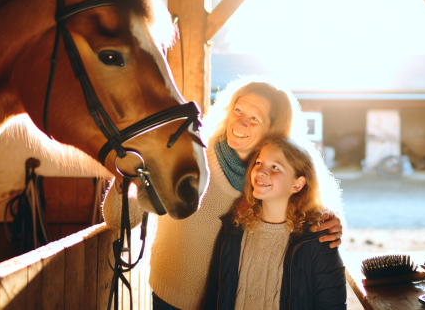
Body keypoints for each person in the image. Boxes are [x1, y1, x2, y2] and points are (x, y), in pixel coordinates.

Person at [103, 77, 344, 310]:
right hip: (170, 298)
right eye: (238, 110)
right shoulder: (187, 154)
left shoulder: (269, 182)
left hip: (227, 302)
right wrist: (127, 173)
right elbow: (117, 218)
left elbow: (305, 203)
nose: (241, 123)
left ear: (273, 129)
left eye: (255, 118)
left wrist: (326, 221)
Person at [208, 137, 346, 310]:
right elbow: (214, 296)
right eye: (259, 163)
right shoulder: (232, 229)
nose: (260, 171)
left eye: (275, 167)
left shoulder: (319, 241)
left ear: (297, 185)